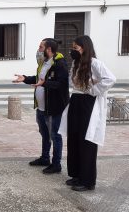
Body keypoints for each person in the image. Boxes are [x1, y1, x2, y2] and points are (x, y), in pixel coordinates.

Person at [59, 35, 116, 192]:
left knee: (86, 141)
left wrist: (93, 90)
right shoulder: (77, 64)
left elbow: (110, 79)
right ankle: (76, 174)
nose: (73, 50)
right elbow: (72, 83)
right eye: (73, 47)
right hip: (76, 100)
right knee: (74, 138)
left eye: (76, 48)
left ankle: (87, 180)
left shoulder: (95, 63)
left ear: (85, 48)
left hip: (88, 103)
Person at [14, 38, 69, 174]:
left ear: (48, 49)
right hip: (42, 107)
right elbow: (39, 79)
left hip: (54, 108)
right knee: (44, 134)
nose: (38, 50)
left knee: (55, 135)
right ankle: (45, 158)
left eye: (40, 47)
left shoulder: (59, 64)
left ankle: (56, 164)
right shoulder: (43, 62)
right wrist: (25, 78)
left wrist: (43, 84)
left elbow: (61, 85)